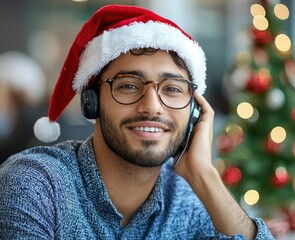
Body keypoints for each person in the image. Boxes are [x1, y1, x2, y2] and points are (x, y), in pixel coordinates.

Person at [0, 5, 274, 239]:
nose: (152, 107)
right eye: (129, 86)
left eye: (172, 89)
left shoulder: (188, 200)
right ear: (92, 102)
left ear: (194, 113)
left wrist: (204, 175)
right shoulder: (35, 184)